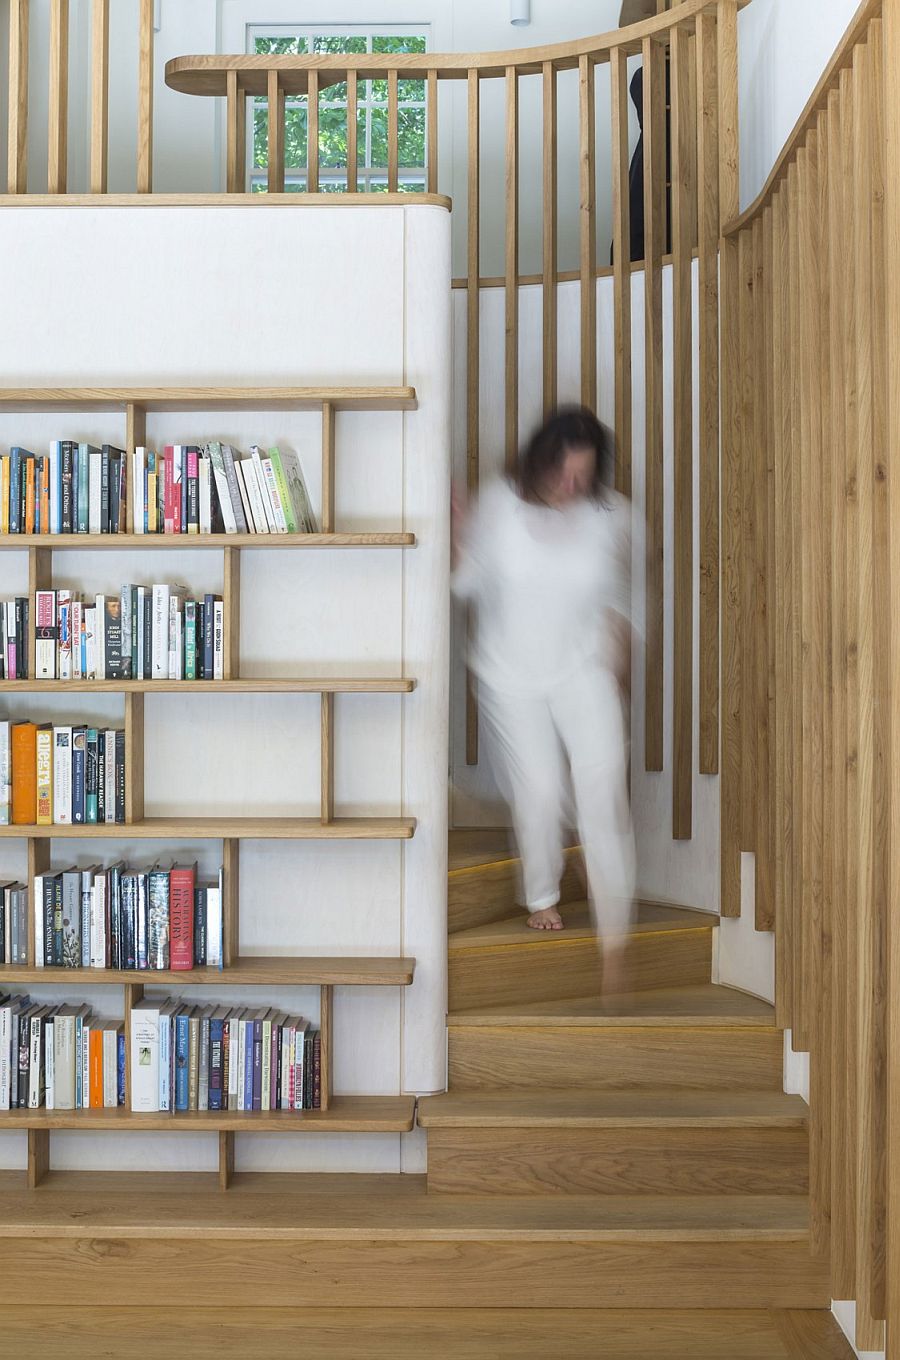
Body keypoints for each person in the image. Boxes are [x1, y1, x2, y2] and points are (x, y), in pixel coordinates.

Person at [451, 407, 637, 994]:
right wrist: (457, 538)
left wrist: (624, 641)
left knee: (603, 786)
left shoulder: (610, 515)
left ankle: (616, 945)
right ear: (540, 462)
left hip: (581, 668)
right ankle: (543, 895)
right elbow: (465, 585)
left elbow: (624, 591)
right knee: (539, 786)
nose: (571, 486)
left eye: (583, 476)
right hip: (510, 675)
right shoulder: (500, 504)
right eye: (563, 473)